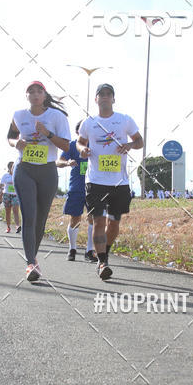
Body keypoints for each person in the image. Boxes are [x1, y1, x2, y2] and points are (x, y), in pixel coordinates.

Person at [77, 84, 143, 281]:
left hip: (119, 182)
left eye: (108, 94)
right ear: (96, 100)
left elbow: (140, 141)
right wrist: (82, 149)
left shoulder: (124, 120)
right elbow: (80, 141)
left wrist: (130, 145)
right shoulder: (88, 123)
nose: (105, 97)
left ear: (114, 99)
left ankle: (103, 252)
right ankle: (103, 262)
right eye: (101, 95)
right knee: (99, 221)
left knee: (114, 224)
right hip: (95, 181)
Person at [8, 80, 70, 281]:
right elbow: (9, 136)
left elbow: (66, 147)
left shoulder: (56, 116)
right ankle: (30, 264)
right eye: (30, 91)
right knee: (30, 216)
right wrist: (16, 143)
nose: (35, 94)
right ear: (26, 96)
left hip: (47, 170)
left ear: (44, 95)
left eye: (39, 91)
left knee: (41, 219)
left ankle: (32, 257)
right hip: (24, 169)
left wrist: (48, 134)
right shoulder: (19, 115)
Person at [57, 121, 97, 262]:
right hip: (77, 187)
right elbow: (58, 161)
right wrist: (67, 163)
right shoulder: (72, 146)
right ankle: (72, 249)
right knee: (75, 218)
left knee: (94, 218)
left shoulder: (96, 145)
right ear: (78, 133)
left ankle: (89, 251)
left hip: (94, 187)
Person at [0, 161, 21, 234]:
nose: (13, 167)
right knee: (8, 212)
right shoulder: (5, 175)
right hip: (7, 194)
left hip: (15, 195)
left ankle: (17, 226)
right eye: (11, 166)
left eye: (14, 166)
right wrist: (1, 190)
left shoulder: (18, 175)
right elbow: (1, 184)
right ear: (9, 167)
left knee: (15, 210)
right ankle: (8, 227)